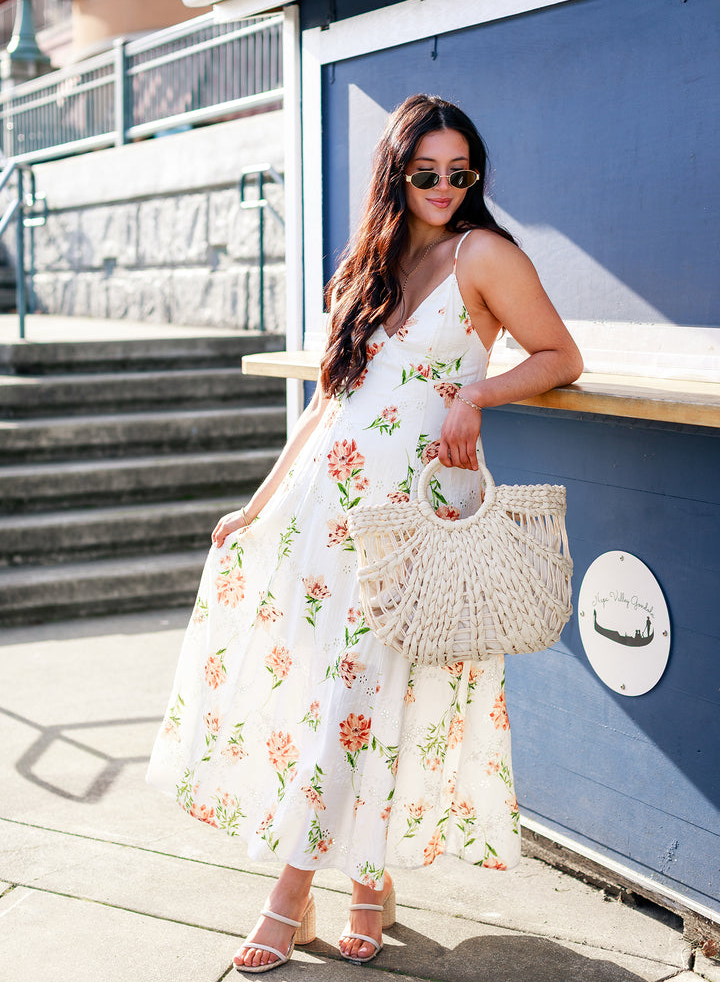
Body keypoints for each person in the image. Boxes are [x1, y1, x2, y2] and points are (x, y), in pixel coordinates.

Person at [147, 93, 583, 973]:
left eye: (461, 172)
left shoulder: (484, 254)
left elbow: (560, 357)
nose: (445, 187)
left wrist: (475, 393)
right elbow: (326, 404)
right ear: (397, 172)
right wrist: (258, 505)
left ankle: (288, 900)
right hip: (327, 512)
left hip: (415, 518)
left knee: (366, 695)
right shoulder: (368, 266)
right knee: (333, 696)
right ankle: (369, 886)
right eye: (426, 173)